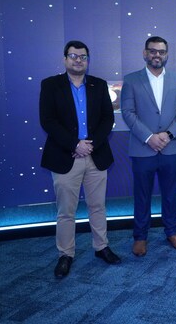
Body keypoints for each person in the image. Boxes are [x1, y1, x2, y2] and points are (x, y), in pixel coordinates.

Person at [40, 40, 121, 279]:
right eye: (74, 56)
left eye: (83, 57)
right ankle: (65, 254)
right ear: (65, 59)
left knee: (98, 206)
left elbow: (108, 119)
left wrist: (89, 144)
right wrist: (75, 144)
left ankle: (101, 247)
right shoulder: (50, 85)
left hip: (96, 155)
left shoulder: (99, 84)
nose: (78, 60)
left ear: (88, 60)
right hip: (65, 156)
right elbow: (48, 121)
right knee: (66, 211)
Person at [121, 36, 176, 257]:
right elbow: (128, 113)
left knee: (170, 194)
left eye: (161, 52)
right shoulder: (131, 80)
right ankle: (140, 236)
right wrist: (149, 137)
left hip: (171, 148)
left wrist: (167, 135)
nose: (157, 55)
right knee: (142, 195)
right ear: (145, 53)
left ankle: (172, 231)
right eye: (152, 51)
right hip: (143, 149)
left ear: (166, 55)